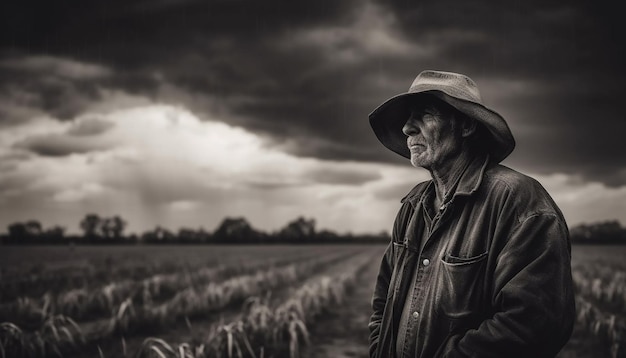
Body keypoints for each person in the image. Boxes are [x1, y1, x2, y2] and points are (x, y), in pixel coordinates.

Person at [367, 70, 575, 358]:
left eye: (425, 114)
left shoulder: (518, 201)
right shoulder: (413, 205)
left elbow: (534, 325)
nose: (407, 129)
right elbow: (383, 301)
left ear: (465, 126)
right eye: (407, 118)